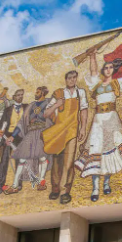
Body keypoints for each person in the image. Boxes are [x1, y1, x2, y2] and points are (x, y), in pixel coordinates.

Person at [75, 51, 122, 202]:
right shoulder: (97, 83)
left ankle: (106, 182)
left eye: (111, 67)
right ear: (103, 70)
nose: (108, 69)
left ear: (113, 70)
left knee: (112, 152)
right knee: (96, 151)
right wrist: (92, 56)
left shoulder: (117, 83)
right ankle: (95, 187)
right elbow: (93, 71)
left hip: (112, 119)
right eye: (106, 67)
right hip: (98, 122)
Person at [42, 71, 90, 204]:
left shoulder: (81, 93)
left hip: (72, 131)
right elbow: (46, 113)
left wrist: (83, 127)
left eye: (74, 78)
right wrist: (57, 104)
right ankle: (55, 188)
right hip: (59, 132)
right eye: (69, 78)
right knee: (57, 161)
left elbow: (84, 110)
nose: (72, 80)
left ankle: (65, 191)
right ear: (65, 79)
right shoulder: (58, 93)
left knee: (68, 163)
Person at [3, 86, 58, 194]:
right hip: (31, 133)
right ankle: (14, 185)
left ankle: (41, 181)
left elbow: (55, 116)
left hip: (43, 132)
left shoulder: (48, 102)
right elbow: (22, 123)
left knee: (42, 157)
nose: (35, 93)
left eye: (37, 92)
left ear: (42, 93)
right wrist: (12, 136)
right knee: (22, 160)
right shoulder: (31, 105)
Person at [0, 89, 26, 194]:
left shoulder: (26, 108)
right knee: (4, 161)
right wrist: (0, 134)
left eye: (22, 95)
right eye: (18, 95)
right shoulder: (8, 110)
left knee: (20, 161)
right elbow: (0, 125)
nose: (20, 97)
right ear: (14, 97)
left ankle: (18, 184)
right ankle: (0, 185)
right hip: (8, 137)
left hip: (21, 137)